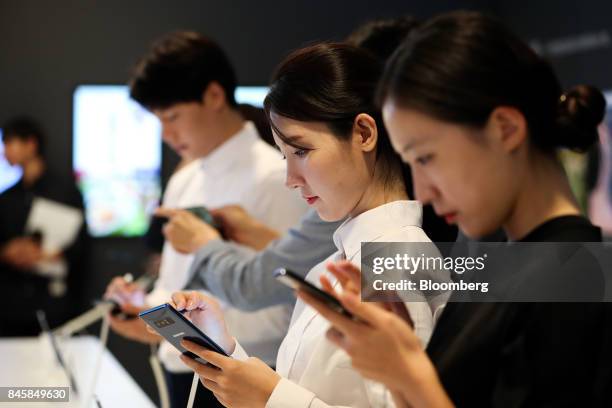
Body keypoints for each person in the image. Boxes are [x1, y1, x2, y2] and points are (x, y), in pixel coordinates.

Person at [298, 11, 611, 407]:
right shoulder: (494, 266)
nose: (424, 192)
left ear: (505, 130)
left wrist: (407, 373)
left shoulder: (580, 276)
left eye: (427, 158)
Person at [168, 42, 447, 408]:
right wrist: (229, 354)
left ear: (363, 133)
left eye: (301, 151)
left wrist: (270, 397)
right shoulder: (334, 264)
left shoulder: (396, 258)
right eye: (285, 156)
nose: (290, 178)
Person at [159, 16, 456, 313]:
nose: (291, 179)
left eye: (301, 151)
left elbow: (255, 284)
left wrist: (205, 245)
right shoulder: (350, 241)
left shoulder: (395, 252)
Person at [104, 31, 307, 408]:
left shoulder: (275, 176)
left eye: (174, 116)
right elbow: (173, 286)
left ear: (214, 96)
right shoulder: (185, 179)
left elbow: (290, 308)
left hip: (244, 379)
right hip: (181, 375)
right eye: (158, 120)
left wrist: (187, 329)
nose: (166, 134)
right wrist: (143, 306)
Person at [0, 116, 88, 335]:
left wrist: (50, 254)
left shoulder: (65, 192)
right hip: (12, 304)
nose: (5, 152)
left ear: (31, 144)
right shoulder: (7, 198)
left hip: (54, 302)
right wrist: (9, 252)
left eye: (10, 144)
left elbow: (81, 244)